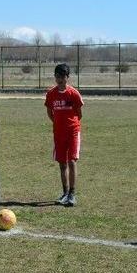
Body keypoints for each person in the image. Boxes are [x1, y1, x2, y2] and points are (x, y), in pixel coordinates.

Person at [44, 63, 84, 207]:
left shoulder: (73, 93)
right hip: (58, 133)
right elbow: (49, 112)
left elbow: (79, 114)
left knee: (72, 161)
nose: (60, 79)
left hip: (72, 132)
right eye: (57, 76)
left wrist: (70, 124)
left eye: (63, 77)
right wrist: (57, 124)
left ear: (67, 77)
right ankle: (65, 193)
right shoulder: (51, 94)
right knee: (62, 164)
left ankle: (72, 194)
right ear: (55, 77)